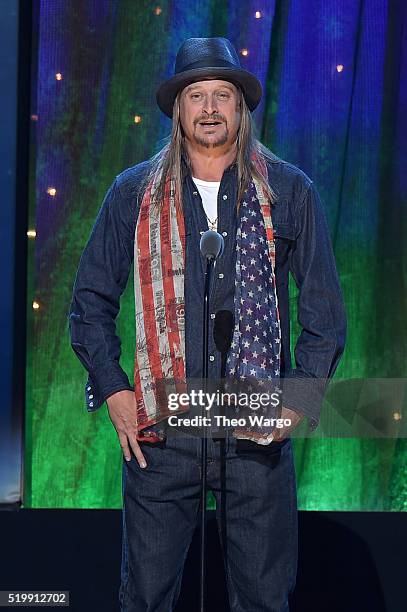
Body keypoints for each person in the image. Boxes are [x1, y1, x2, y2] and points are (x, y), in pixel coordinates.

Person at [69, 37, 346, 612]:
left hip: (255, 432)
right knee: (144, 597)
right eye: (197, 95)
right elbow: (90, 299)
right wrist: (114, 387)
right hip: (162, 438)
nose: (211, 108)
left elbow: (323, 312)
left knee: (264, 599)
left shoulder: (289, 191)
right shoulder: (134, 193)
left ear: (242, 107)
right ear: (179, 108)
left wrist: (299, 397)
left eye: (224, 94)